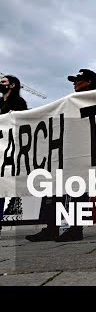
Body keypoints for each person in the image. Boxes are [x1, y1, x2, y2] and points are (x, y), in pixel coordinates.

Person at [26, 69, 96, 242]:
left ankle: (75, 229)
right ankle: (51, 227)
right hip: (65, 149)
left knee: (78, 189)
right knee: (54, 188)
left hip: (84, 151)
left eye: (78, 80)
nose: (74, 83)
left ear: (89, 82)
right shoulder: (71, 101)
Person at [0, 75, 28, 235]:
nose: (0, 84)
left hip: (10, 149)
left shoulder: (19, 103)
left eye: (3, 82)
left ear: (12, 85)